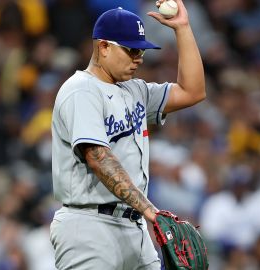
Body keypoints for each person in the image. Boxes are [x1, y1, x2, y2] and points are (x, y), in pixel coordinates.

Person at [49, 0, 206, 268]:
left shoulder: (135, 90)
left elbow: (193, 91)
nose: (138, 59)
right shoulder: (81, 90)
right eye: (131, 50)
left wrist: (182, 28)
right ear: (103, 46)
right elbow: (98, 158)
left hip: (134, 227)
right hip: (89, 226)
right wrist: (150, 211)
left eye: (141, 51)